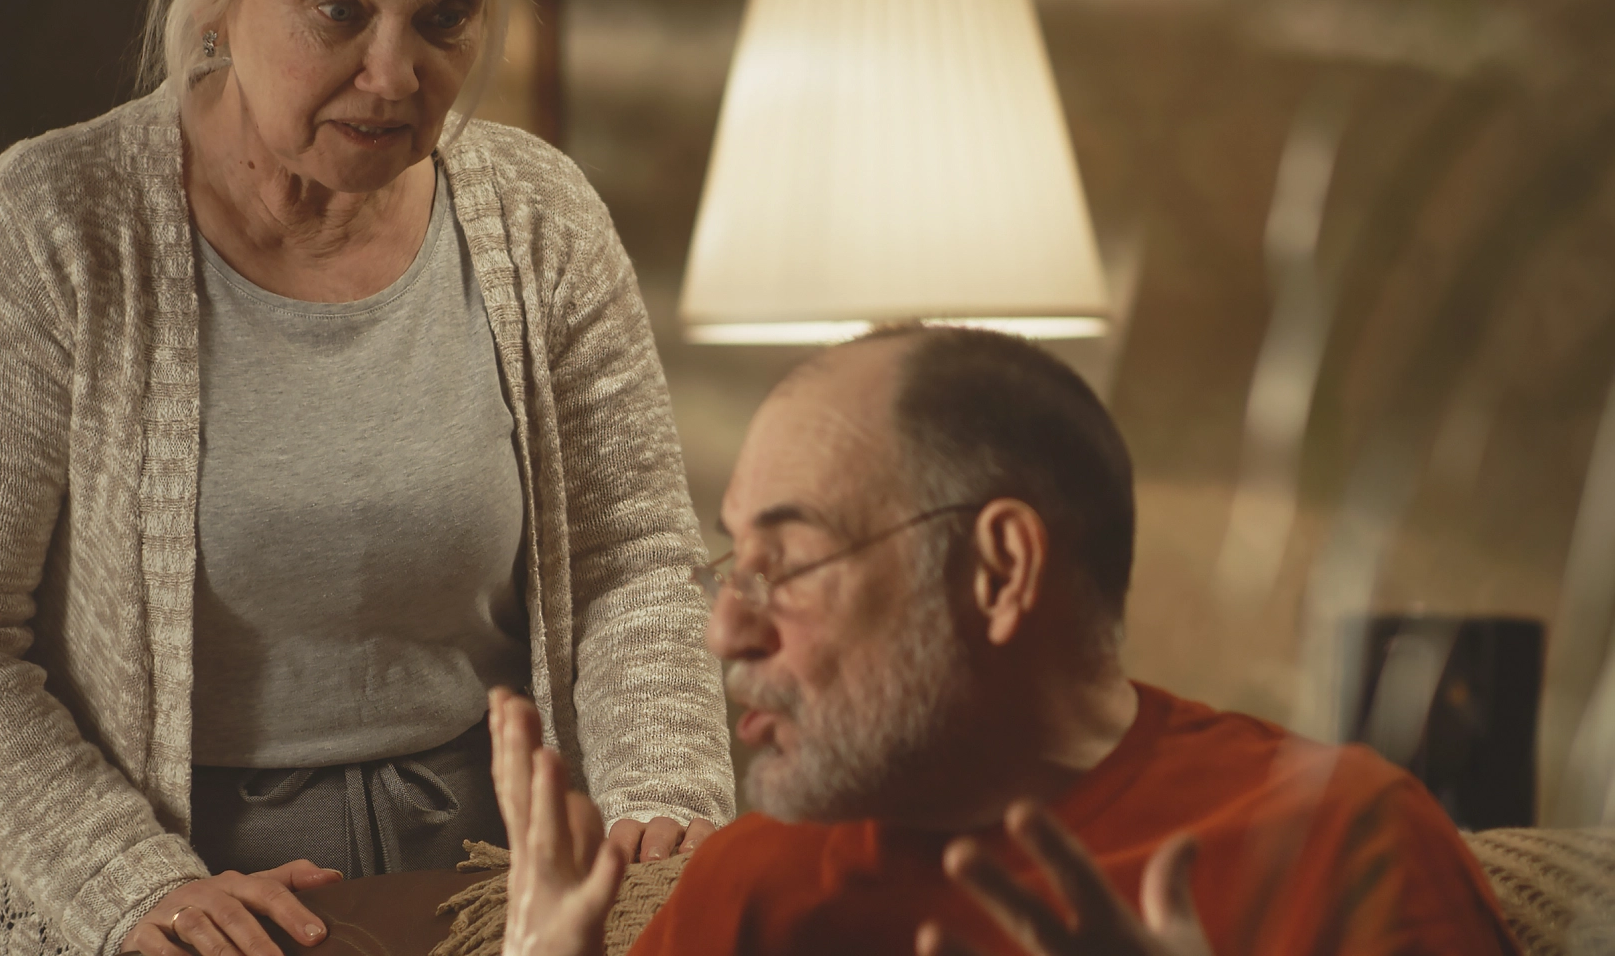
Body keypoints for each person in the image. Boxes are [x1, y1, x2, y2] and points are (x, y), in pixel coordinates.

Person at [0, 0, 734, 954]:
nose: (396, 73)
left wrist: (664, 801)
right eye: (339, 11)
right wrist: (131, 882)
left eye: (446, 17)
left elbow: (630, 560)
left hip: (487, 899)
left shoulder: (539, 217)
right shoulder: (57, 226)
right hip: (160, 905)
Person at [491, 325, 1520, 956]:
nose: (725, 627)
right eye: (732, 564)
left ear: (999, 572)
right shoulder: (753, 882)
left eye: (787, 565)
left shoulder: (1341, 843)